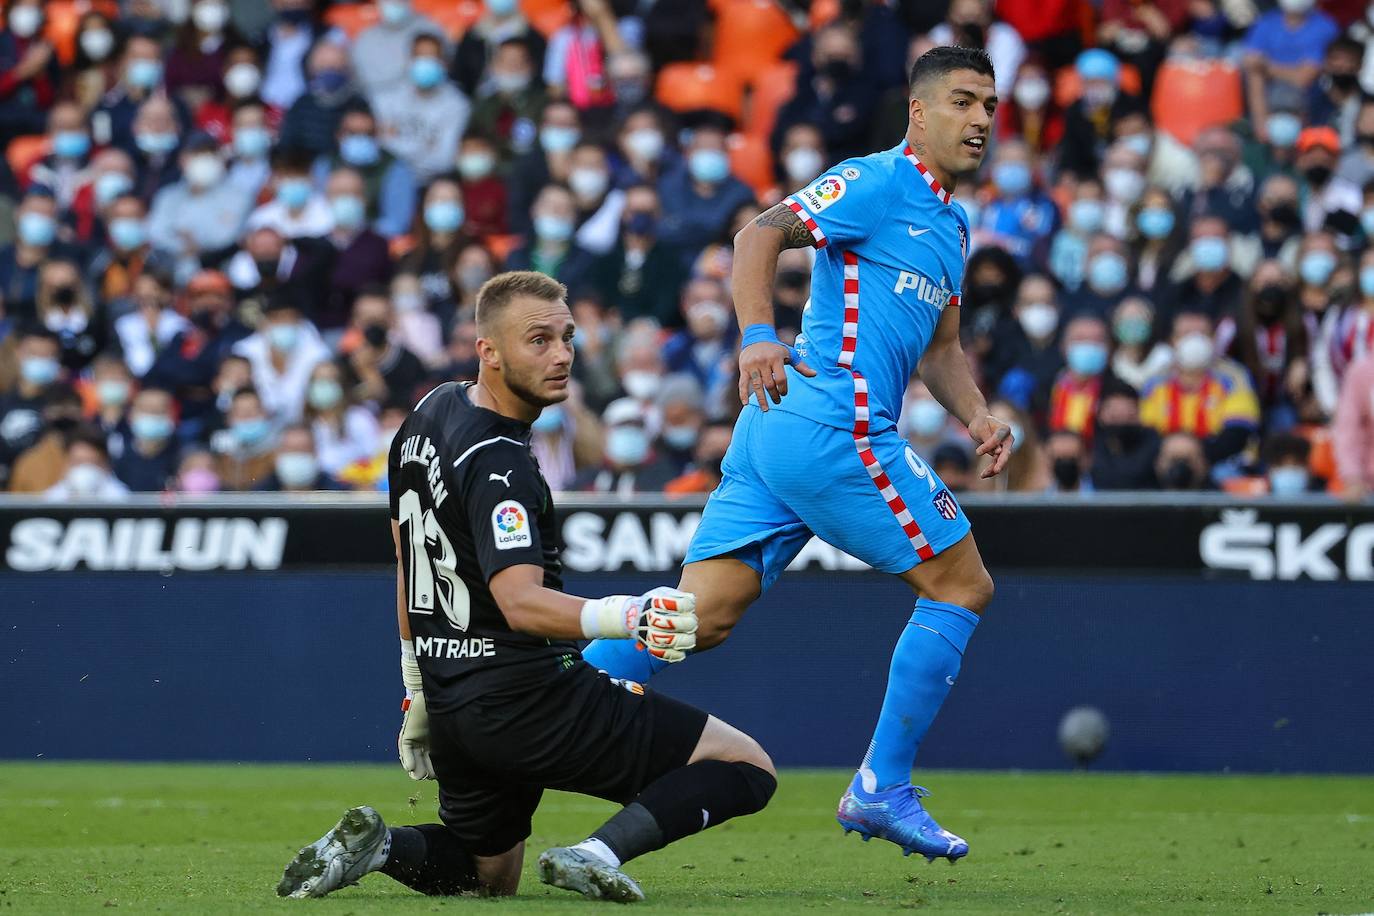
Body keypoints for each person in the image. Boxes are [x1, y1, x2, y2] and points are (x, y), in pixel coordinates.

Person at [582, 46, 1011, 861]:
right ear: (919, 112)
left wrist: (978, 417)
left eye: (990, 105)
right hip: (832, 424)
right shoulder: (879, 179)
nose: (982, 120)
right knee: (962, 583)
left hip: (779, 434)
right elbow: (759, 236)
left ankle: (551, 699)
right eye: (964, 102)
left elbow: (943, 349)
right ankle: (882, 787)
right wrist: (753, 336)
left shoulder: (951, 223)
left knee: (698, 618)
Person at [277, 270, 774, 902]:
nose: (562, 354)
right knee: (745, 766)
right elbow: (519, 602)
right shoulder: (498, 462)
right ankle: (596, 853)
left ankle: (381, 847)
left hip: (456, 702)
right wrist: (630, 615)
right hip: (530, 700)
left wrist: (416, 687)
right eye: (538, 340)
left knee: (490, 875)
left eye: (567, 337)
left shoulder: (429, 412)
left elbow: (406, 555)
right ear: (488, 351)